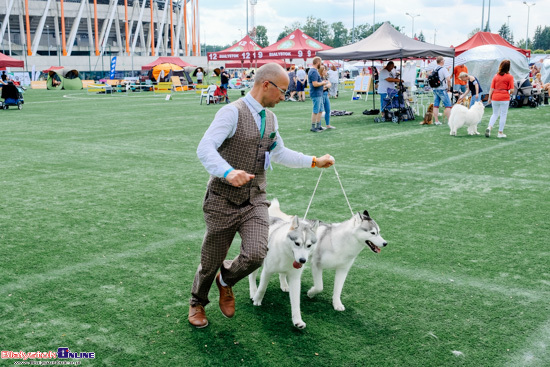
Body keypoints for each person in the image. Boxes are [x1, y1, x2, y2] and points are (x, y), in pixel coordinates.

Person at [189, 63, 335, 328]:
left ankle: (226, 281)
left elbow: (279, 153)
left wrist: (314, 160)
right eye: (282, 91)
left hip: (255, 199)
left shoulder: (271, 119)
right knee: (210, 261)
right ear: (266, 85)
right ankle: (197, 303)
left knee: (257, 253)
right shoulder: (230, 113)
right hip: (222, 199)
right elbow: (204, 148)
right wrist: (227, 172)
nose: (284, 97)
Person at [486, 60, 514, 138]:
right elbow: (512, 90)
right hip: (504, 97)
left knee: (495, 114)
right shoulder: (510, 77)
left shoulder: (496, 76)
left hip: (495, 97)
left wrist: (489, 98)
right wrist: (508, 93)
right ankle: (500, 132)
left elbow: (491, 88)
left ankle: (489, 127)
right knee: (503, 115)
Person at [308, 57, 329, 132]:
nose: (321, 64)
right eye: (320, 62)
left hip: (319, 93)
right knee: (316, 110)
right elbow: (315, 84)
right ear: (318, 62)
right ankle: (313, 127)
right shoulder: (313, 72)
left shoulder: (314, 71)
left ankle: (318, 125)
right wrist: (323, 83)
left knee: (320, 110)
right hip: (316, 94)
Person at [432, 56, 452, 125]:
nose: (444, 61)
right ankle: (450, 121)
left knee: (436, 105)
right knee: (448, 105)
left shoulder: (434, 68)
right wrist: (449, 88)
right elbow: (448, 79)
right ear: (441, 61)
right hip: (442, 89)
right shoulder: (443, 69)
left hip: (435, 89)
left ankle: (436, 121)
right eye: (444, 60)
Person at [319, 65, 334, 129]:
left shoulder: (325, 78)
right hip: (321, 95)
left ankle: (328, 124)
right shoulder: (319, 78)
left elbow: (329, 84)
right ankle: (319, 125)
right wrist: (326, 85)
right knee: (320, 111)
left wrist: (326, 86)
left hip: (326, 94)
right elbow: (321, 88)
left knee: (328, 110)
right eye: (325, 70)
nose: (326, 71)